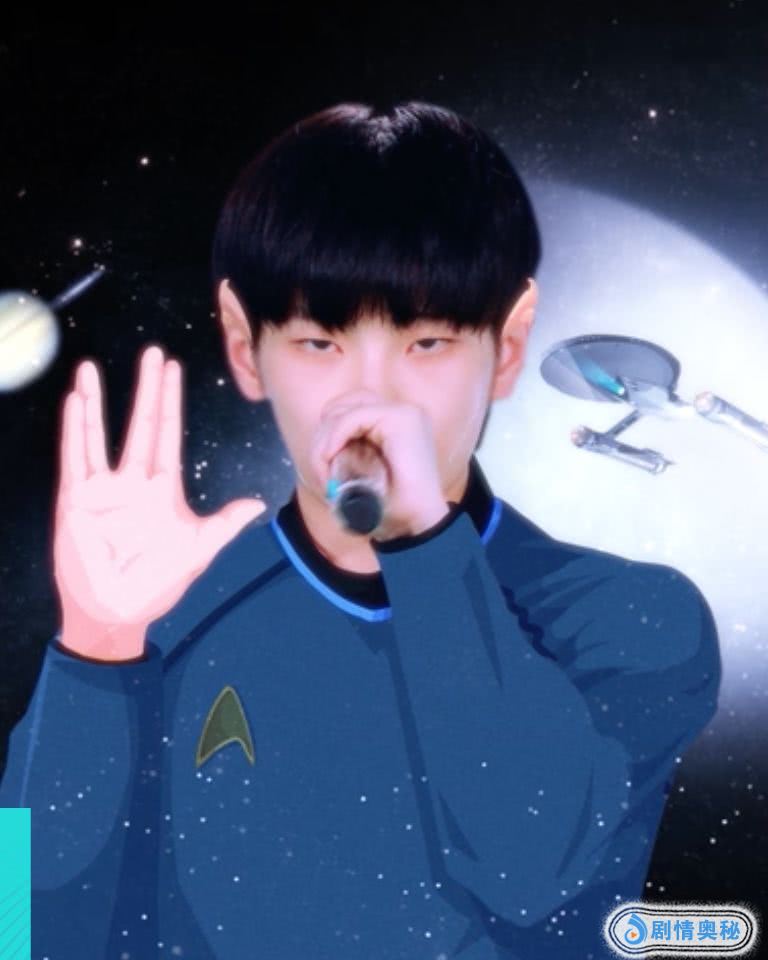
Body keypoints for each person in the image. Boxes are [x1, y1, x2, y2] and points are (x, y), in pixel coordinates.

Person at [0, 101, 721, 960]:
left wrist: (421, 543)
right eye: (319, 343)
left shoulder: (628, 618)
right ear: (245, 345)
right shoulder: (170, 611)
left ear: (509, 344)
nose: (372, 402)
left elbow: (533, 869)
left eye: (428, 343)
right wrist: (94, 650)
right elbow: (21, 930)